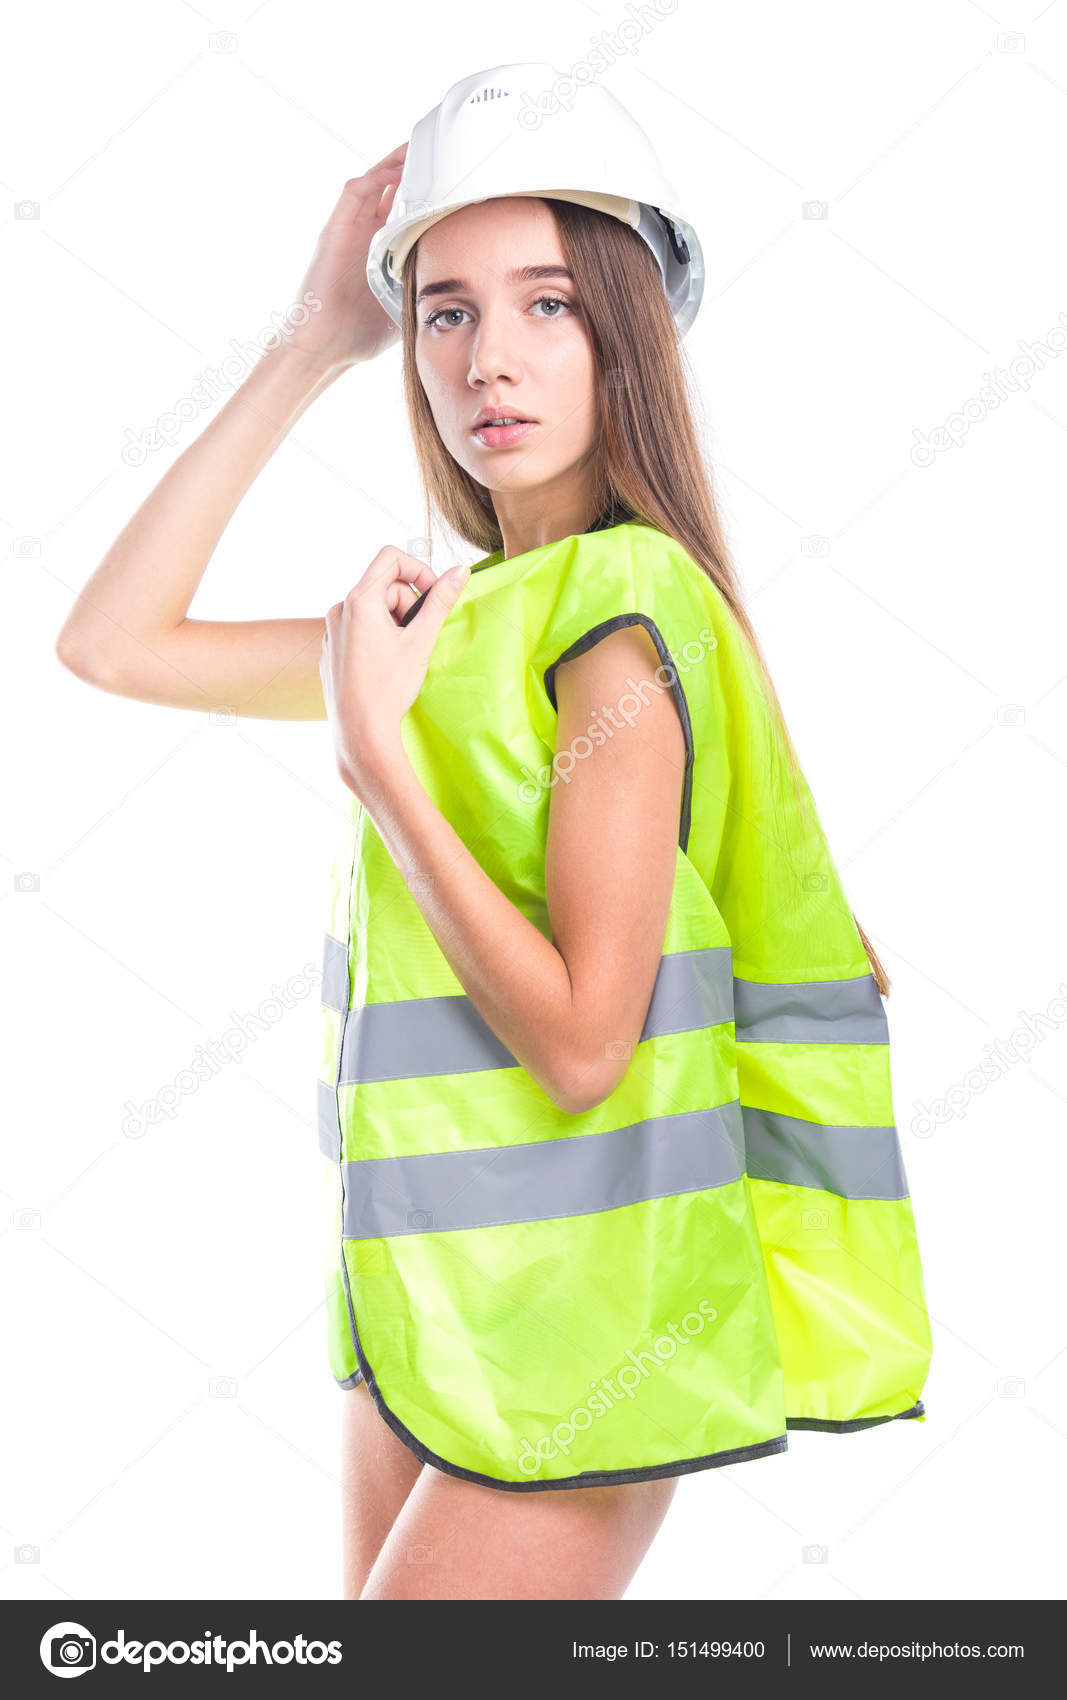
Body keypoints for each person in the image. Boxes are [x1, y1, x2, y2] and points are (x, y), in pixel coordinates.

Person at [56, 65, 931, 1602]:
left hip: (594, 1326)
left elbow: (588, 1045)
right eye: (445, 311)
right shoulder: (448, 626)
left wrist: (381, 768)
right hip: (432, 1308)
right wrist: (314, 339)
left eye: (547, 304)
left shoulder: (621, 618)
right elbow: (113, 645)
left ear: (628, 327)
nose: (488, 360)